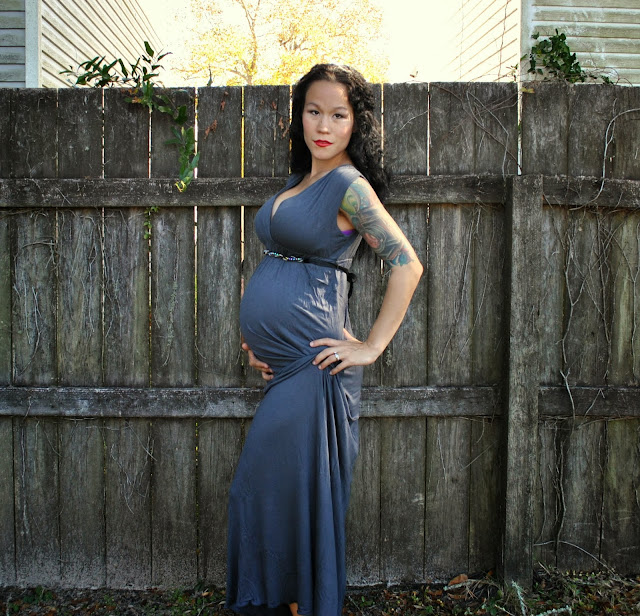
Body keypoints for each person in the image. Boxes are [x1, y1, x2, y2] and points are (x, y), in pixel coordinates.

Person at [225, 64, 423, 616]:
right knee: (282, 496)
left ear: (355, 124)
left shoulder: (347, 186)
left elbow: (407, 265)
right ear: (300, 116)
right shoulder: (298, 184)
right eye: (314, 111)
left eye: (339, 114)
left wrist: (371, 347)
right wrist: (261, 341)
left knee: (263, 491)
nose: (324, 125)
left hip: (317, 368)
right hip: (287, 364)